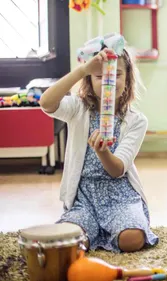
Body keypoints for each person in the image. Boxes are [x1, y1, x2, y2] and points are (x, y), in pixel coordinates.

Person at [39, 38, 158, 253]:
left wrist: (103, 152)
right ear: (89, 80)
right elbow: (46, 103)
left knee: (132, 239)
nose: (107, 82)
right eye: (99, 76)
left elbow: (117, 169)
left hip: (120, 195)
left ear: (128, 80)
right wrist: (82, 69)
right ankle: (91, 230)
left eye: (116, 75)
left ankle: (117, 229)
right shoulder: (78, 108)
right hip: (85, 197)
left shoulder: (136, 120)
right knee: (67, 241)